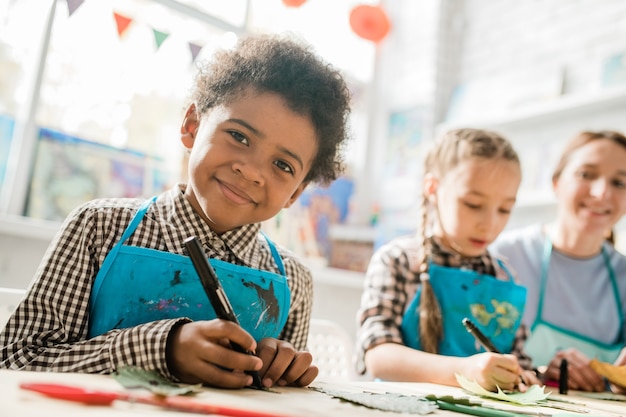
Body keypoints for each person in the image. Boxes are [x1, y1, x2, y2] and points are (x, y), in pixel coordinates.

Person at [0, 34, 352, 390]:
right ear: (191, 126)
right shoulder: (99, 227)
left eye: (282, 164)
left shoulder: (292, 279)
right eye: (239, 137)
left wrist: (284, 374)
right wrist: (161, 350)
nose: (252, 172)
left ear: (296, 193)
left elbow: (280, 399)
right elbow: (15, 359)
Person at [356, 128, 540, 391]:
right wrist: (464, 371)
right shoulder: (397, 260)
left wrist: (523, 375)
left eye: (505, 209)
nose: (490, 223)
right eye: (473, 204)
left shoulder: (505, 275)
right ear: (433, 189)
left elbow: (517, 358)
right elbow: (379, 356)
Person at [490, 130, 626, 392]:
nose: (601, 193)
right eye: (586, 174)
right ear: (556, 182)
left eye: (620, 183)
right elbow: (467, 355)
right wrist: (539, 373)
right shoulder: (503, 255)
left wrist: (616, 384)